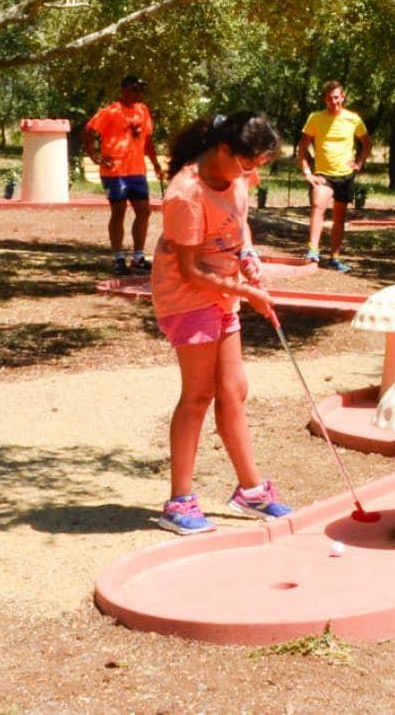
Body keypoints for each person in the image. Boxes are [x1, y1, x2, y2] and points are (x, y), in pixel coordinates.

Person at [150, 112, 293, 533]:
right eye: (247, 164)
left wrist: (248, 256)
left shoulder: (239, 176)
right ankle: (179, 502)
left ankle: (251, 491)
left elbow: (240, 223)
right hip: (187, 296)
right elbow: (190, 270)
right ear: (224, 150)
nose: (251, 173)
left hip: (222, 291)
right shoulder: (186, 193)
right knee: (198, 395)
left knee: (234, 390)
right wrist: (247, 293)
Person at [83, 75, 164, 274]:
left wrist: (155, 164)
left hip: (137, 171)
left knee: (144, 211)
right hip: (115, 172)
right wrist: (96, 157)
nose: (138, 93)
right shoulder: (111, 111)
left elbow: (147, 141)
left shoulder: (143, 110)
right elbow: (88, 131)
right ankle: (118, 258)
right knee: (118, 212)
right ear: (124, 89)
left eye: (141, 89)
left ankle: (138, 257)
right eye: (135, 89)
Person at [296, 81, 370, 272]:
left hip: (345, 175)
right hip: (323, 175)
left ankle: (334, 258)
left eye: (336, 97)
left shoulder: (353, 119)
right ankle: (313, 250)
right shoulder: (315, 118)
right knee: (318, 206)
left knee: (339, 217)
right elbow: (302, 148)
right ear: (325, 99)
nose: (334, 101)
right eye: (330, 98)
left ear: (342, 97)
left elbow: (367, 144)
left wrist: (359, 162)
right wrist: (307, 172)